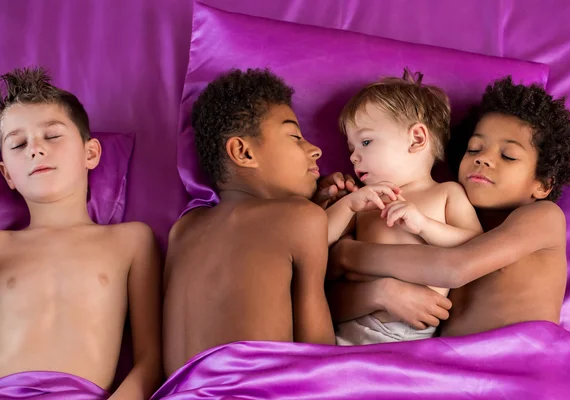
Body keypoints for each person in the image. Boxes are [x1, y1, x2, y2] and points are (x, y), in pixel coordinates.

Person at [329, 76, 570, 337]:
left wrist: (348, 255)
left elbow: (453, 269)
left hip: (516, 361)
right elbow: (330, 300)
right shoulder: (455, 223)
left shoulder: (543, 217)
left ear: (542, 184)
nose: (483, 159)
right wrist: (378, 292)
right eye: (473, 149)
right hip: (441, 361)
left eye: (508, 155)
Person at [0, 67, 162, 399]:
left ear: (90, 153)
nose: (35, 149)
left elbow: (150, 361)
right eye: (17, 144)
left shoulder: (129, 241)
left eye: (52, 135)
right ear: (7, 176)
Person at [162, 69, 335, 376]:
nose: (315, 149)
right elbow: (319, 359)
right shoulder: (301, 219)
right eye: (295, 136)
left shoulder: (183, 229)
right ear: (243, 152)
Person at [325, 70, 482, 344]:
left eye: (365, 141)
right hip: (348, 322)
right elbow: (316, 241)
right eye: (350, 147)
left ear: (417, 139)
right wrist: (347, 206)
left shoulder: (445, 193)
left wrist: (425, 225)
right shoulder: (364, 201)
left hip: (406, 334)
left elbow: (476, 245)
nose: (353, 156)